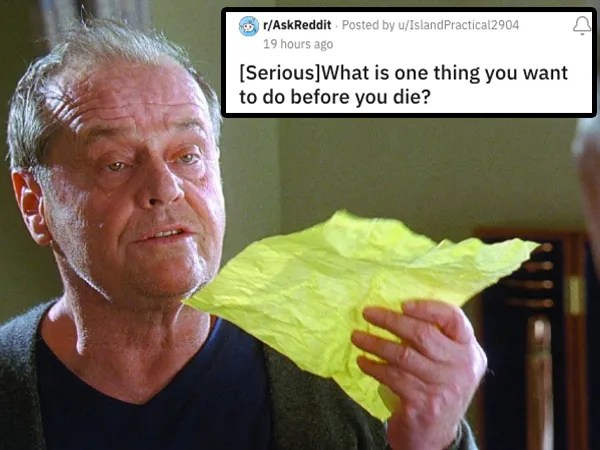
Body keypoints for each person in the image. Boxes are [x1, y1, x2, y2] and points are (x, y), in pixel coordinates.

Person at [0, 19, 486, 450]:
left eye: (187, 156)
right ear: (33, 202)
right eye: (116, 163)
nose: (165, 188)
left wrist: (430, 442)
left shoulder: (351, 380)